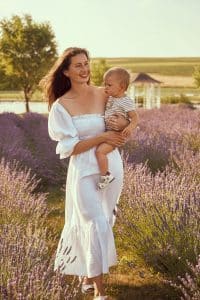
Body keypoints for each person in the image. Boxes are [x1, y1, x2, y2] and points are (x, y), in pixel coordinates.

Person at [40, 47, 136, 300]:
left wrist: (123, 127)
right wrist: (103, 136)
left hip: (111, 165)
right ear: (66, 71)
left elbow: (127, 121)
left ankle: (87, 274)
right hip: (84, 169)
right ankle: (99, 292)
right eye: (78, 66)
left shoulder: (104, 93)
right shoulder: (61, 106)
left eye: (86, 64)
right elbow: (70, 148)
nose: (85, 70)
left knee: (106, 218)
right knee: (93, 221)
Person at [96, 67, 138, 189]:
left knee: (100, 152)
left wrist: (129, 127)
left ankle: (106, 176)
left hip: (116, 134)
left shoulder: (126, 101)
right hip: (108, 131)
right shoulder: (111, 97)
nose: (106, 87)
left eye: (109, 85)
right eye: (105, 84)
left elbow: (135, 118)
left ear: (122, 86)